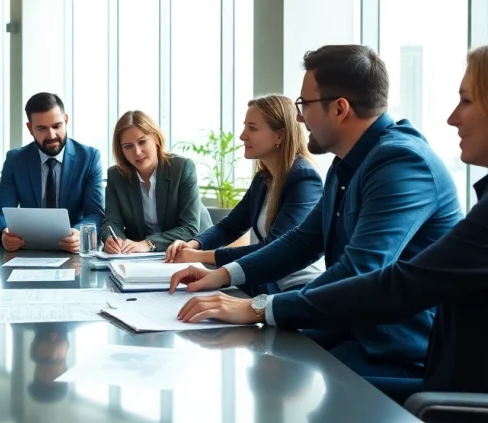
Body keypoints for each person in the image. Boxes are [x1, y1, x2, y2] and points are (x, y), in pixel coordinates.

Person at [176, 39, 488, 401]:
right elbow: (307, 242)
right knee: (257, 367)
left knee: (270, 383)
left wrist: (260, 306)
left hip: (484, 405)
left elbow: (399, 281)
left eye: (466, 100)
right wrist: (228, 276)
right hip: (463, 385)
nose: (452, 117)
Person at [170, 44, 463, 381]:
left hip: (397, 351)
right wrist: (221, 275)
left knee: (262, 371)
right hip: (351, 331)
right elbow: (303, 242)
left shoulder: (400, 163)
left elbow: (359, 270)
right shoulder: (346, 163)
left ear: (340, 109)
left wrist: (257, 306)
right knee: (241, 357)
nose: (298, 117)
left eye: (304, 105)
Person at [165, 95, 324, 293]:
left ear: (280, 136)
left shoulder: (304, 179)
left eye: (253, 128)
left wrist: (201, 256)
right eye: (244, 127)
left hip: (298, 289)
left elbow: (272, 248)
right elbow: (229, 227)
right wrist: (193, 245)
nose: (242, 135)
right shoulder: (264, 179)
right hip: (266, 284)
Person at [0, 92, 104, 253]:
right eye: (42, 128)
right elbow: (0, 213)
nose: (51, 135)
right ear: (30, 128)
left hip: (74, 251)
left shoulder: (89, 158)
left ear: (66, 120)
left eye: (57, 126)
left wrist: (80, 233)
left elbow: (95, 214)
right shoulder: (15, 160)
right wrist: (4, 233)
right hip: (28, 249)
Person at [100, 110, 211, 253]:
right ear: (121, 150)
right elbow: (112, 222)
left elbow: (189, 227)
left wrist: (148, 243)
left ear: (156, 139)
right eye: (128, 146)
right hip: (146, 258)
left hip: (194, 251)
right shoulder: (116, 175)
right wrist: (113, 240)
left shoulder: (182, 168)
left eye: (142, 142)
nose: (137, 152)